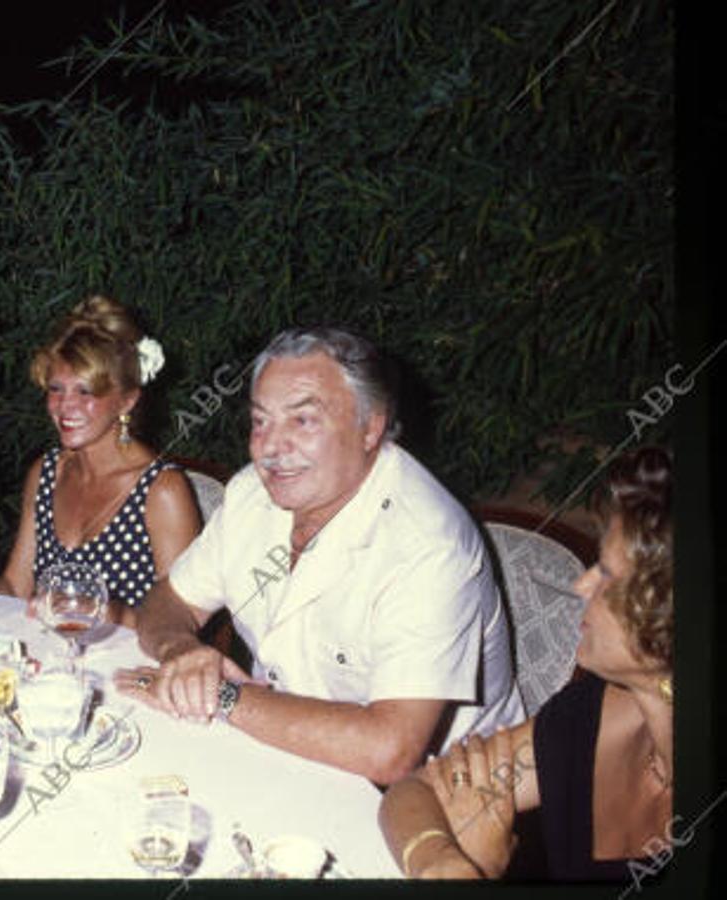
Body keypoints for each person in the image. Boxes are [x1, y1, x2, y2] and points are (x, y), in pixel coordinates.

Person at [116, 326, 524, 785]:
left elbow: (389, 752)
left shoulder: (428, 545)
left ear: (370, 427)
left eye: (302, 420)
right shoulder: (253, 493)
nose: (270, 447)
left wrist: (223, 697)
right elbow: (167, 601)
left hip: (438, 800)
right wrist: (181, 649)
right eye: (260, 421)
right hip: (291, 754)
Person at [379, 447, 673, 880]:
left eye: (607, 574)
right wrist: (443, 860)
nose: (581, 584)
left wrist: (486, 869)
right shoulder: (598, 709)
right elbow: (415, 790)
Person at [0, 296, 202, 627]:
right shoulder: (46, 473)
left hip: (132, 670)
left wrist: (102, 610)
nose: (64, 407)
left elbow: (181, 622)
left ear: (127, 400)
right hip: (53, 659)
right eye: (56, 389)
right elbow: (15, 587)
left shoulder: (163, 490)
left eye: (85, 392)